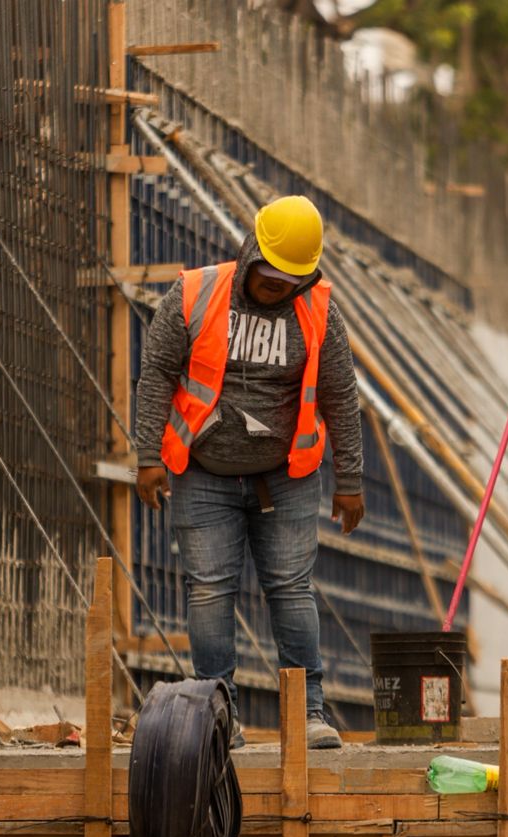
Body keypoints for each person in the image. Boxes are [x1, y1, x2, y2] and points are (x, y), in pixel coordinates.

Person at [134, 194, 364, 749]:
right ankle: (219, 717)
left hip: (285, 476)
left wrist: (350, 480)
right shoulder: (196, 294)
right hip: (204, 473)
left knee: (290, 588)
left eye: (290, 281)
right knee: (210, 591)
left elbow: (340, 395)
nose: (277, 288)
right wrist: (147, 457)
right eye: (269, 276)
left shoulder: (319, 312)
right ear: (250, 252)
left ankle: (308, 714)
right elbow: (157, 372)